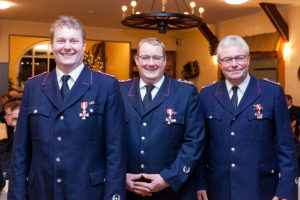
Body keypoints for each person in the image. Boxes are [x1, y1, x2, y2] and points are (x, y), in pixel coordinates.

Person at [8, 16, 126, 200]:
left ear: (84, 45)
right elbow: (20, 151)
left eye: (74, 41)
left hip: (89, 193)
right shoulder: (33, 87)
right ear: (52, 45)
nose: (67, 46)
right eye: (61, 41)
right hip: (40, 192)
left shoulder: (106, 86)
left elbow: (116, 151)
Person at [197, 35, 298, 200]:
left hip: (261, 188)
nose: (234, 64)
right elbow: (201, 146)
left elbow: (286, 146)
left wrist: (285, 190)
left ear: (248, 59)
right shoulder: (207, 95)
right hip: (218, 189)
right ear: (220, 63)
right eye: (227, 59)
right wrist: (200, 184)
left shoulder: (272, 92)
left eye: (240, 57)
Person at [119, 37, 205, 200]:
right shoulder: (119, 91)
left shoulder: (186, 93)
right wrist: (119, 176)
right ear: (137, 60)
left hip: (173, 192)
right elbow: (109, 138)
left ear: (165, 61)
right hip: (128, 191)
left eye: (157, 58)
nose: (151, 63)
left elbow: (194, 142)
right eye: (145, 57)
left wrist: (169, 178)